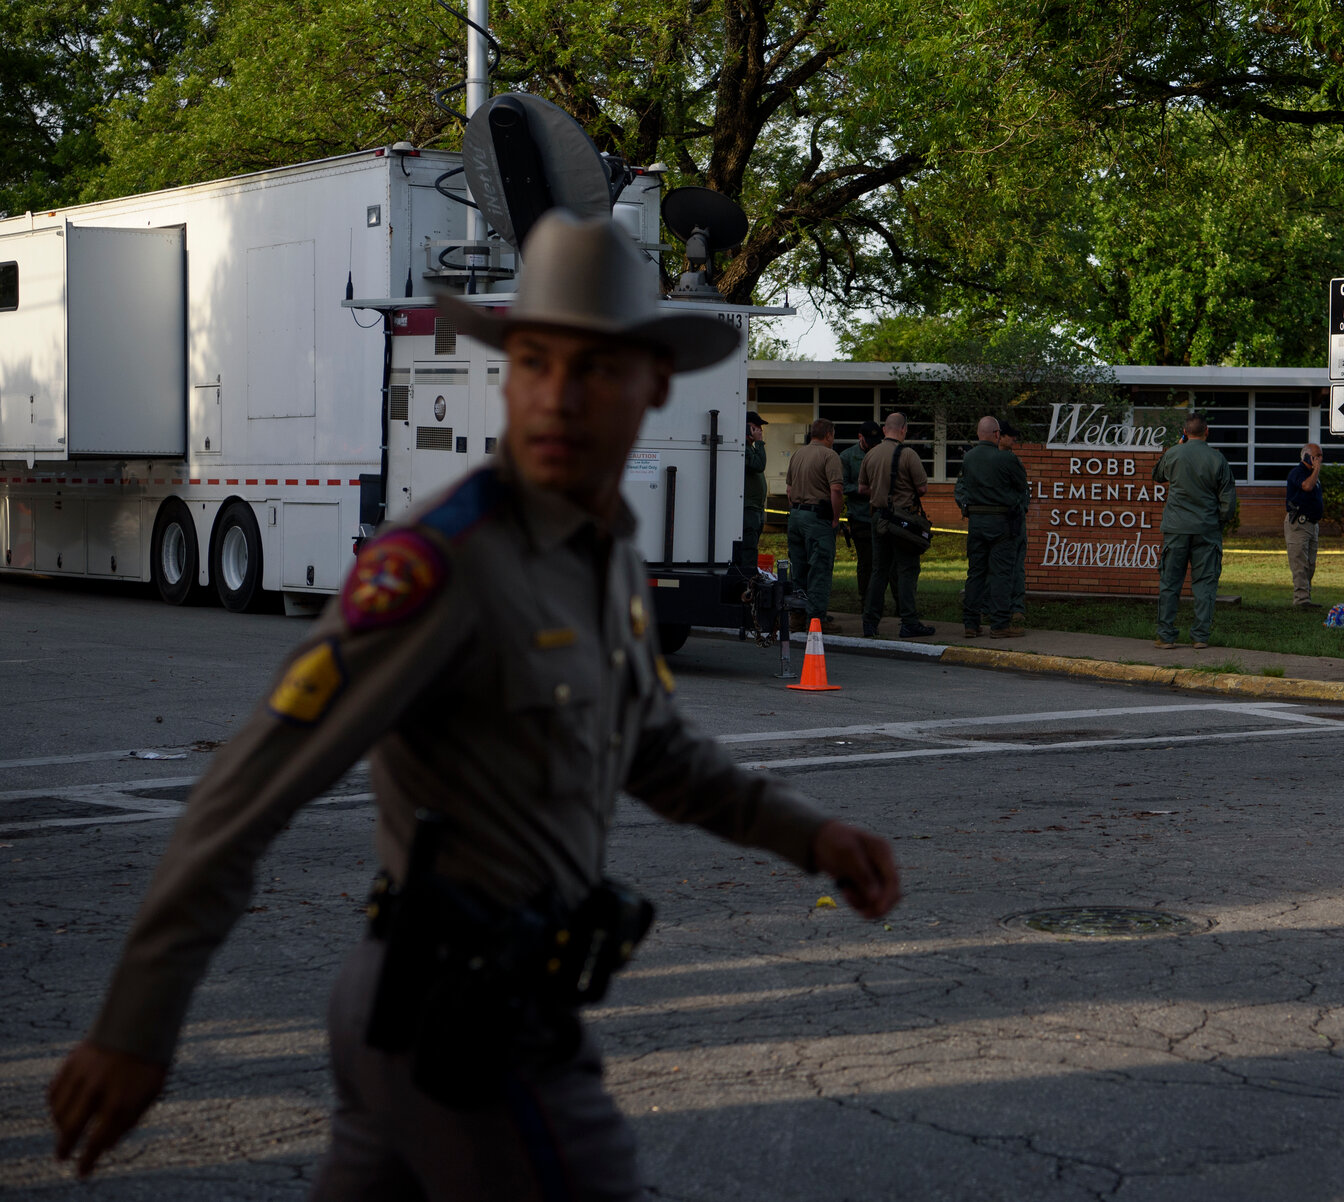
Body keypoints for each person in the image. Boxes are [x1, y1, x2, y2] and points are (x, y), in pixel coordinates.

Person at [46, 212, 902, 1196]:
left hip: (454, 1016)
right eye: (535, 362)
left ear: (653, 386)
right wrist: (135, 1024)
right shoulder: (442, 564)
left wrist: (811, 834)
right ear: (506, 373)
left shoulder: (607, 545)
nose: (558, 396)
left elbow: (654, 746)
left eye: (595, 369)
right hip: (469, 1026)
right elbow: (243, 793)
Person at [1152, 413, 1238, 650]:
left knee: (1170, 582)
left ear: (1185, 431)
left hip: (1176, 528)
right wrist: (1218, 522)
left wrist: (1176, 447)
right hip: (1207, 529)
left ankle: (1166, 636)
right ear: (1206, 431)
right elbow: (1228, 499)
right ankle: (1200, 636)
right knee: (1205, 583)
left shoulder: (1173, 453)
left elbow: (1157, 476)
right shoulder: (1217, 458)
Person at [859, 412, 935, 638]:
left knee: (878, 571)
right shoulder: (908, 454)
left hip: (878, 518)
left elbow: (862, 489)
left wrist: (882, 493)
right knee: (907, 570)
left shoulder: (870, 455)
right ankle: (909, 621)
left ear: (884, 430)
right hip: (902, 521)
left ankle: (870, 622)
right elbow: (922, 489)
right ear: (903, 429)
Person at [954, 416, 1029, 637]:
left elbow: (963, 489)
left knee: (975, 573)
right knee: (1001, 574)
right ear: (997, 434)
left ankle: (970, 623)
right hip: (1001, 523)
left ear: (979, 434)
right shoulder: (1006, 459)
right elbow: (1021, 486)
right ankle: (999, 624)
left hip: (976, 523)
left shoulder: (969, 458)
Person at [784, 418, 844, 633]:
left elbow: (789, 490)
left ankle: (797, 616)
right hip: (817, 519)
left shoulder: (798, 454)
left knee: (798, 568)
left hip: (796, 515)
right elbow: (836, 489)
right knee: (819, 568)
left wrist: (796, 509)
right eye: (833, 434)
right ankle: (816, 619)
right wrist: (835, 518)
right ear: (828, 434)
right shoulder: (830, 455)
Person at [838, 419, 897, 616]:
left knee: (888, 562)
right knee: (866, 563)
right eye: (869, 441)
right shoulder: (847, 457)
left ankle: (889, 602)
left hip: (883, 515)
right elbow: (842, 485)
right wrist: (866, 492)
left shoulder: (882, 453)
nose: (872, 445)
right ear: (860, 437)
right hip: (860, 517)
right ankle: (866, 601)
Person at [1283, 442, 1324, 608]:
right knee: (1299, 563)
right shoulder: (1298, 472)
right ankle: (1301, 600)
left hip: (1312, 525)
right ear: (1307, 456)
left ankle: (1306, 596)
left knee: (1310, 565)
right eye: (1317, 455)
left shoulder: (1314, 474)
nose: (1321, 459)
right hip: (1299, 524)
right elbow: (1306, 486)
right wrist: (1316, 469)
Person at [997, 420, 1029, 624]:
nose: (1014, 439)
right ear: (999, 435)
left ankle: (1016, 608)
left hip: (1013, 520)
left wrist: (1019, 509)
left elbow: (1023, 490)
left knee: (1016, 567)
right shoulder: (988, 459)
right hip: (996, 522)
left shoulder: (1013, 460)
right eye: (1010, 435)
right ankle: (994, 607)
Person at [740, 410, 768, 573]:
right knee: (748, 550)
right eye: (756, 427)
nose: (760, 431)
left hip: (756, 508)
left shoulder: (751, 448)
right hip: (748, 508)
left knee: (753, 547)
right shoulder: (744, 448)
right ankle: (746, 582)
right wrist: (760, 443)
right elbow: (759, 466)